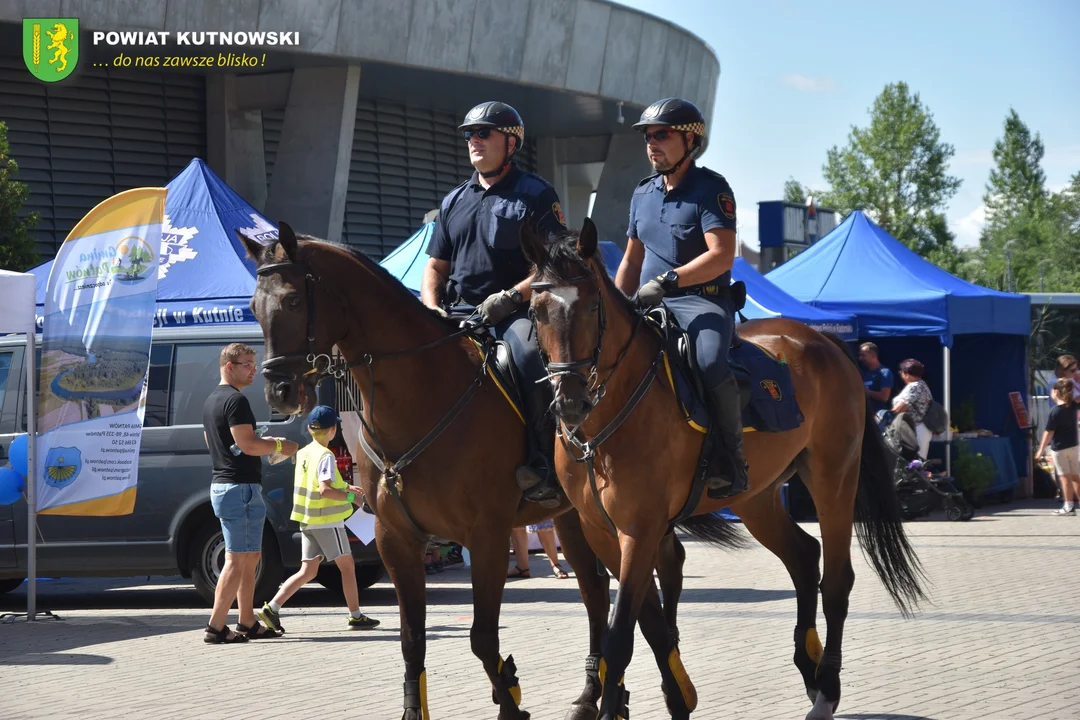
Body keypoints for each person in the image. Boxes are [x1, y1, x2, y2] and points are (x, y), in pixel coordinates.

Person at [421, 101, 567, 508]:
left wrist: (510, 298)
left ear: (511, 141)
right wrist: (431, 306)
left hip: (517, 313)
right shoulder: (453, 201)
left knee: (530, 363)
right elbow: (435, 266)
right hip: (457, 314)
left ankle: (544, 466)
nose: (474, 141)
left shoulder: (536, 194)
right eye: (470, 134)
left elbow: (554, 265)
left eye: (484, 133)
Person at [614, 97, 747, 499]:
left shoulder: (711, 189)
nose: (652, 143)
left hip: (702, 301)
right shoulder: (642, 193)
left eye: (661, 134)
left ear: (690, 140)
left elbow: (722, 254)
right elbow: (630, 260)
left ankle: (731, 459)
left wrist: (670, 281)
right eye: (648, 137)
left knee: (708, 363)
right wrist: (618, 304)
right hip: (651, 303)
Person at [201, 342, 299, 644]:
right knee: (237, 559)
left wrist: (260, 441)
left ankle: (247, 621)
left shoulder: (212, 401)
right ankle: (216, 626)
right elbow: (247, 445)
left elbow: (215, 441)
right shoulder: (235, 401)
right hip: (238, 488)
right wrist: (283, 445)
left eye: (254, 364)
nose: (254, 370)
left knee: (251, 556)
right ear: (229, 366)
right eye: (247, 364)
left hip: (231, 486)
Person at [256, 405, 381, 631]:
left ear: (310, 429)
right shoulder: (326, 456)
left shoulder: (304, 453)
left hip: (308, 520)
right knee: (348, 566)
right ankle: (356, 615)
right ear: (333, 429)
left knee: (308, 571)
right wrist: (351, 497)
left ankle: (271, 609)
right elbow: (324, 489)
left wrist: (344, 485)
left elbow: (317, 483)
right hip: (327, 521)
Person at [1036, 379, 1080, 516]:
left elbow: (1049, 432)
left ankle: (1068, 506)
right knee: (1076, 477)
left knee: (1064, 478)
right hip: (1073, 447)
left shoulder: (1055, 412)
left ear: (1056, 392)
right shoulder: (1073, 407)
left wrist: (1040, 450)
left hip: (1059, 449)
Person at [891, 358, 933, 459]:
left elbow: (901, 407)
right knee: (915, 463)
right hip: (916, 430)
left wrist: (886, 415)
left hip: (916, 430)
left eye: (901, 372)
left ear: (906, 373)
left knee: (915, 464)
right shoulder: (921, 384)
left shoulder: (914, 386)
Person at [859, 342, 895, 418]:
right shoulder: (864, 373)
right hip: (865, 416)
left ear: (873, 355)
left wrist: (865, 391)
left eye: (863, 355)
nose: (860, 358)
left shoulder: (884, 372)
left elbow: (884, 397)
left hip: (878, 417)